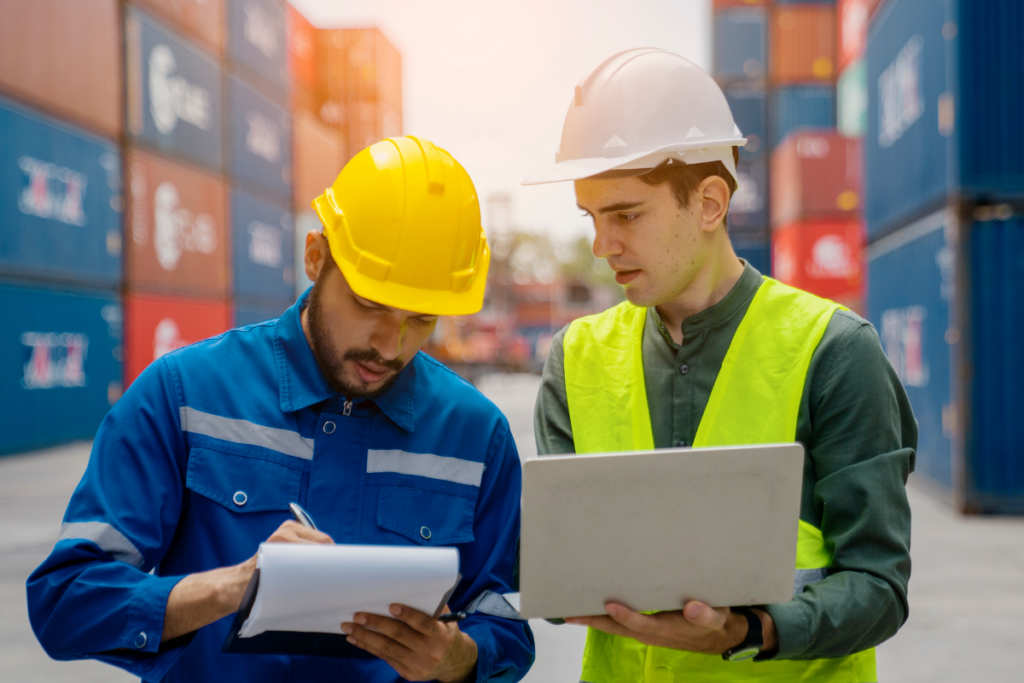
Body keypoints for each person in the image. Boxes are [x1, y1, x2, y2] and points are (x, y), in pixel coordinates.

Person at [28, 137, 534, 683]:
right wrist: (231, 587)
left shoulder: (477, 436)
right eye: (371, 305)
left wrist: (458, 656)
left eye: (422, 320)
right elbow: (66, 599)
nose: (390, 345)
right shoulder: (184, 395)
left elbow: (504, 622)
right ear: (316, 257)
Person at [525, 48, 915, 682]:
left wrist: (749, 630)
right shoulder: (574, 360)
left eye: (625, 215)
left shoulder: (835, 351)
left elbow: (878, 585)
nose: (602, 247)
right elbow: (560, 577)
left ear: (709, 203)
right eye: (591, 218)